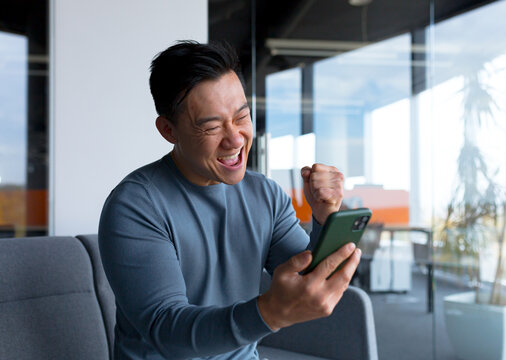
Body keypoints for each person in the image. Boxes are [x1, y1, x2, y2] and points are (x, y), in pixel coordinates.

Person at [98, 40, 361, 360]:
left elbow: (309, 283)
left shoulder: (265, 194)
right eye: (211, 126)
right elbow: (167, 332)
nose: (235, 139)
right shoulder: (135, 206)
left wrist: (324, 220)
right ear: (168, 130)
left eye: (242, 117)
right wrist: (269, 312)